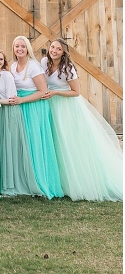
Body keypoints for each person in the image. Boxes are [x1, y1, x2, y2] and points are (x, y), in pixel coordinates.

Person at [41, 39, 122, 201]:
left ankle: (76, 182)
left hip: (67, 107)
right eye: (52, 47)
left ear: (63, 52)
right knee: (55, 142)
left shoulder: (68, 68)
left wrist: (56, 93)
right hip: (50, 106)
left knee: (69, 142)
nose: (54, 51)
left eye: (58, 49)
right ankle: (58, 182)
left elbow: (76, 92)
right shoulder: (44, 62)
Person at [11, 36, 63, 199]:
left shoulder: (33, 67)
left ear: (28, 49)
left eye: (23, 46)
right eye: (17, 46)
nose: (20, 49)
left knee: (36, 144)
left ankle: (42, 182)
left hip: (34, 108)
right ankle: (26, 181)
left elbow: (42, 91)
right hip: (20, 108)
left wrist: (22, 100)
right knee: (23, 145)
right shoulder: (13, 66)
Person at [0, 49, 41, 198]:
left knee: (11, 147)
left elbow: (12, 100)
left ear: (4, 62)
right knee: (2, 147)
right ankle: (2, 180)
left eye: (1, 59)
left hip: (10, 112)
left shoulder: (7, 76)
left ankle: (13, 184)